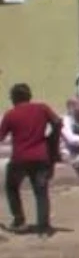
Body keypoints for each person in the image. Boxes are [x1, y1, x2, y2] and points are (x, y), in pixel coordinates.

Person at [0, 84, 61, 236]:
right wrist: (52, 139)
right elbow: (58, 122)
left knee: (11, 187)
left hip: (19, 158)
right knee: (41, 191)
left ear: (14, 98)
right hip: (41, 156)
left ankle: (19, 220)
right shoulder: (42, 108)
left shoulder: (10, 114)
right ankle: (43, 227)